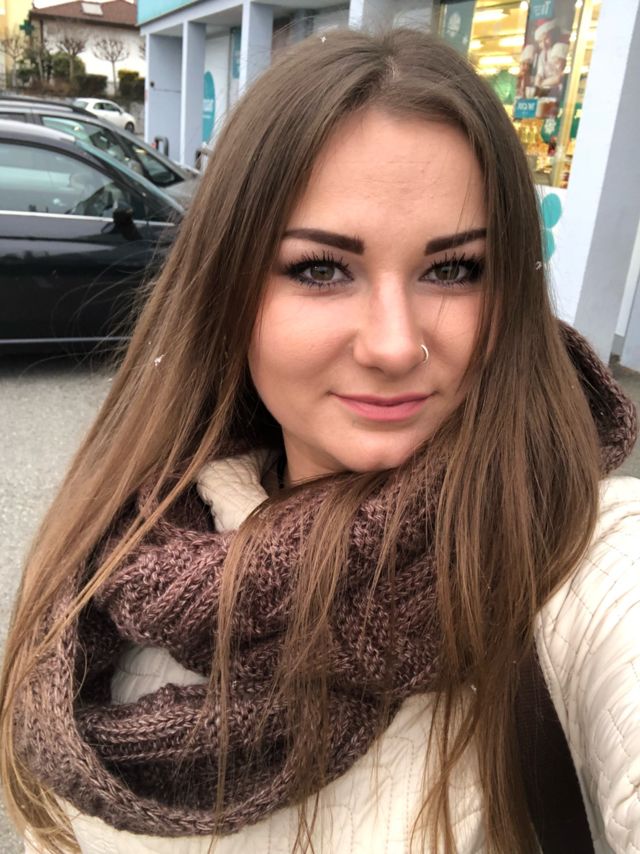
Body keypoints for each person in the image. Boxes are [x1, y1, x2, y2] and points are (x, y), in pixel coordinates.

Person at [1, 27, 639, 854]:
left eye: (453, 270)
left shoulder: (579, 556)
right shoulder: (116, 560)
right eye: (320, 269)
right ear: (226, 292)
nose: (394, 345)